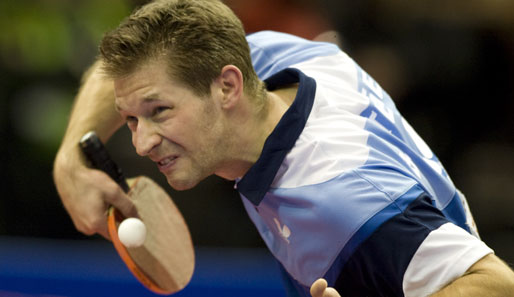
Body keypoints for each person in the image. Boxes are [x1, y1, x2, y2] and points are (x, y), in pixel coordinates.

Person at [53, 0, 514, 296]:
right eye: (131, 118)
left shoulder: (345, 200)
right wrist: (69, 158)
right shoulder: (283, 57)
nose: (141, 141)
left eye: (160, 112)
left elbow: (497, 284)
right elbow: (117, 73)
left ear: (226, 87)